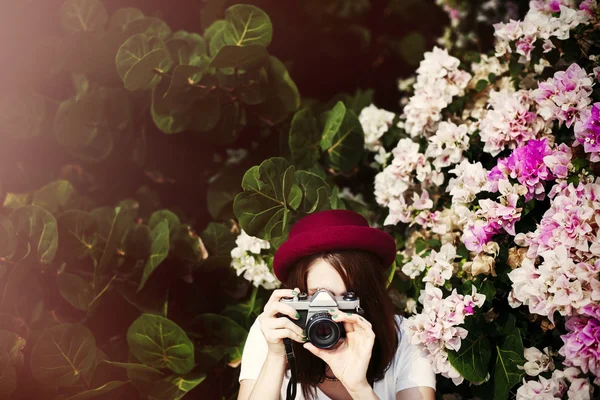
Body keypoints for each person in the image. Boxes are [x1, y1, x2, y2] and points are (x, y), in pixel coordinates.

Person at [237, 209, 436, 400]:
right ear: (297, 296)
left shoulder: (407, 338)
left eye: (348, 298)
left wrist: (358, 387)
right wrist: (276, 357)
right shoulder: (275, 330)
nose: (332, 315)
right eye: (317, 297)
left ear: (369, 295)